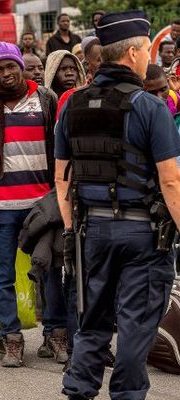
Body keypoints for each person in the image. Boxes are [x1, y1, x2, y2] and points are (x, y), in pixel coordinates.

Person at [55, 11, 180, 399]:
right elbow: (171, 180)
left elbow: (61, 180)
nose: (148, 57)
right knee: (136, 323)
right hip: (143, 234)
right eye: (145, 50)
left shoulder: (72, 105)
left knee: (92, 321)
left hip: (91, 232)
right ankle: (127, 395)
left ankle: (79, 390)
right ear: (131, 53)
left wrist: (71, 230)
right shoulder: (149, 106)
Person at [0, 42, 58, 367]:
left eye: (10, 66)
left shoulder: (45, 99)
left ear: (20, 64)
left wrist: (60, 196)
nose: (6, 74)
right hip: (2, 206)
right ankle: (12, 340)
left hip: (43, 205)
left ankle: (55, 336)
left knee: (51, 271)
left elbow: (58, 150)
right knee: (4, 274)